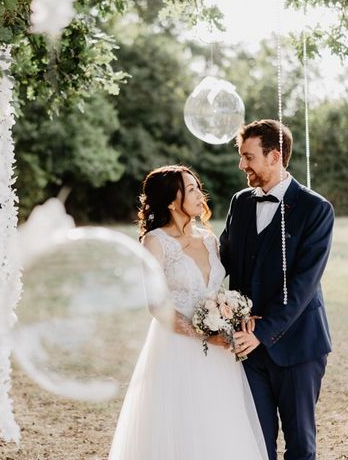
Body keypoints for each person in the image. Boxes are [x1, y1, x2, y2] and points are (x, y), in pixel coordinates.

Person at [109, 165, 268, 460]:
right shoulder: (154, 241)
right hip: (176, 348)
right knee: (180, 425)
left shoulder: (208, 239)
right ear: (171, 201)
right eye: (191, 189)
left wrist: (232, 314)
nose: (200, 194)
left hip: (219, 352)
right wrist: (205, 333)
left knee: (220, 423)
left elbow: (217, 290)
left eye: (198, 187)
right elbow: (156, 306)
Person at [220, 120, 334, 460]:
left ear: (275, 156)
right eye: (241, 157)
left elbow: (303, 285)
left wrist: (263, 331)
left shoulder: (316, 210)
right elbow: (223, 259)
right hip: (248, 350)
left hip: (299, 346)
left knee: (300, 445)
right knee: (254, 442)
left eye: (248, 157)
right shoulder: (240, 203)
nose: (242, 165)